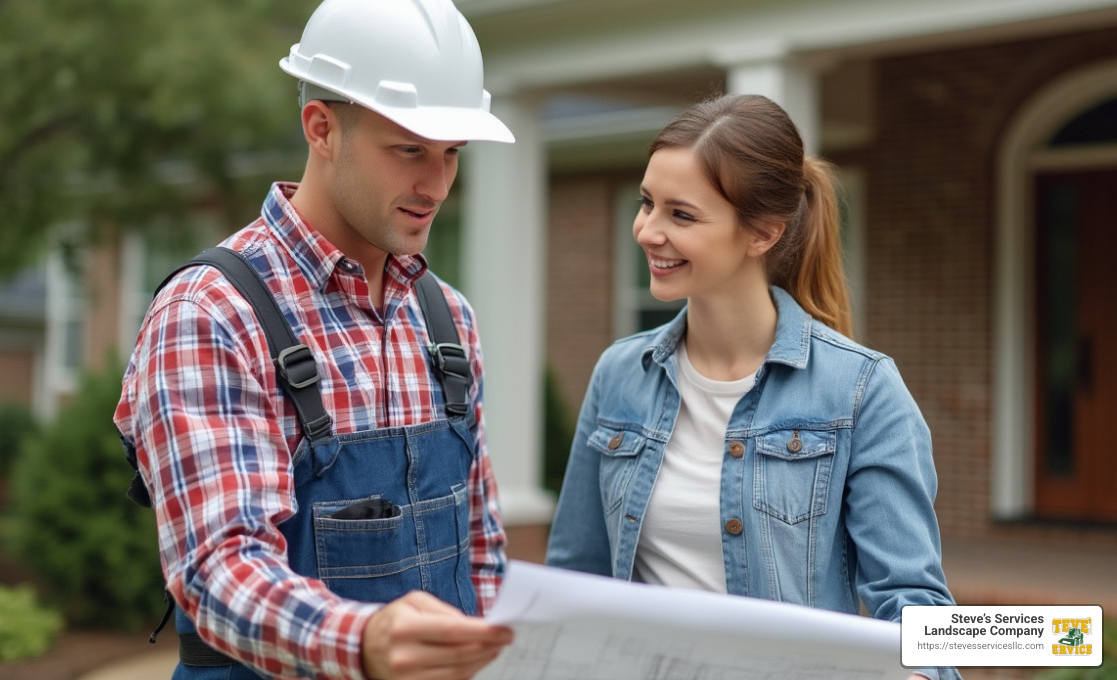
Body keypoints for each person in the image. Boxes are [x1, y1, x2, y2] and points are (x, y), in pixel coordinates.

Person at [114, 1, 516, 678]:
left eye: (452, 154)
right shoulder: (211, 312)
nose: (437, 186)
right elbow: (219, 569)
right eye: (410, 150)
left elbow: (480, 552)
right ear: (321, 127)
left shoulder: (448, 318)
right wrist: (365, 642)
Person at [545, 93, 961, 680]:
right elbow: (576, 579)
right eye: (646, 204)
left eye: (681, 215)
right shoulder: (620, 374)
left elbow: (913, 600)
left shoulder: (861, 389)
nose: (646, 231)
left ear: (762, 234)